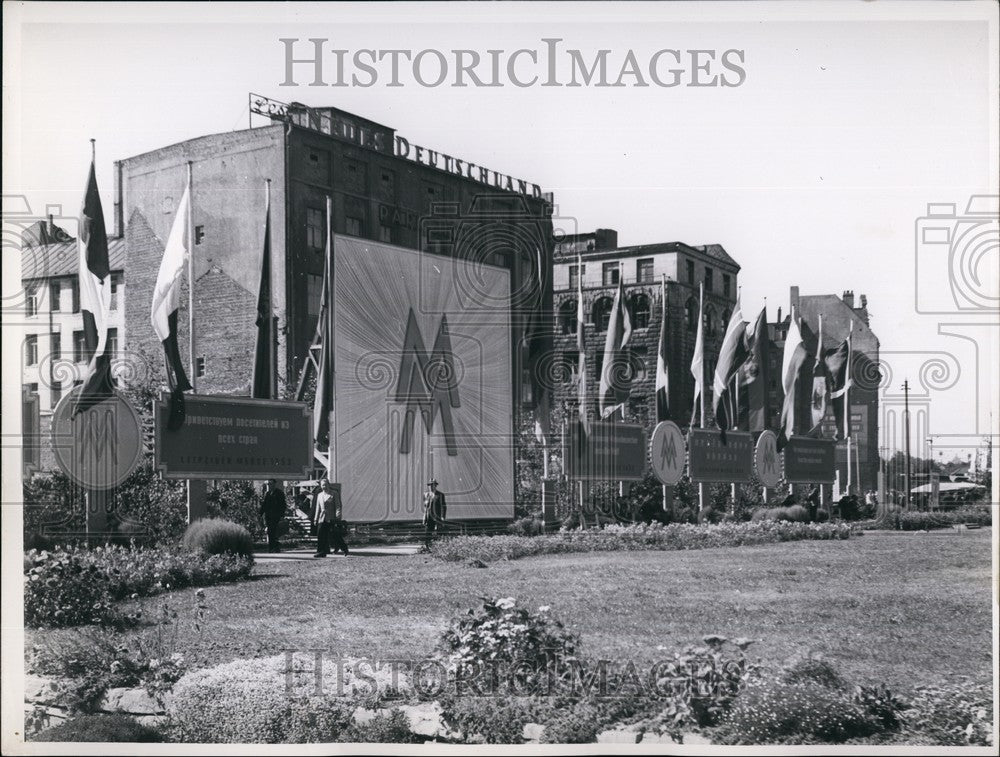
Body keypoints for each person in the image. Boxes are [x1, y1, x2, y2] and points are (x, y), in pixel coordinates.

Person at [260, 479, 287, 553]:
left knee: (274, 532)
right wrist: (260, 513)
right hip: (268, 516)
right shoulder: (268, 493)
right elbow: (264, 505)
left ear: (274, 484)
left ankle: (275, 547)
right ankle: (271, 547)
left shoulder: (279, 493)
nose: (269, 485)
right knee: (270, 532)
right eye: (268, 484)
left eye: (271, 484)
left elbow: (283, 505)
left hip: (276, 516)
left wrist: (282, 515)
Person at [421, 479, 447, 551]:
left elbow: (443, 506)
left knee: (439, 532)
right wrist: (424, 517)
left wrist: (442, 516)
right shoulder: (426, 495)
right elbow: (425, 507)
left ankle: (441, 548)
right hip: (428, 517)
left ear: (435, 485)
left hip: (437, 516)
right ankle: (427, 547)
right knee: (427, 532)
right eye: (429, 485)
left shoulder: (440, 495)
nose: (431, 486)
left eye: (432, 485)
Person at [314, 481, 336, 557]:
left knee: (330, 534)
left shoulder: (334, 493)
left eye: (326, 485)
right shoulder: (319, 495)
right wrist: (315, 518)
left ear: (329, 485)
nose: (324, 487)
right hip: (321, 517)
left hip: (331, 517)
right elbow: (318, 507)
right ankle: (320, 551)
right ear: (321, 486)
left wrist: (338, 516)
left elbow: (338, 505)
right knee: (320, 533)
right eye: (323, 485)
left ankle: (327, 549)